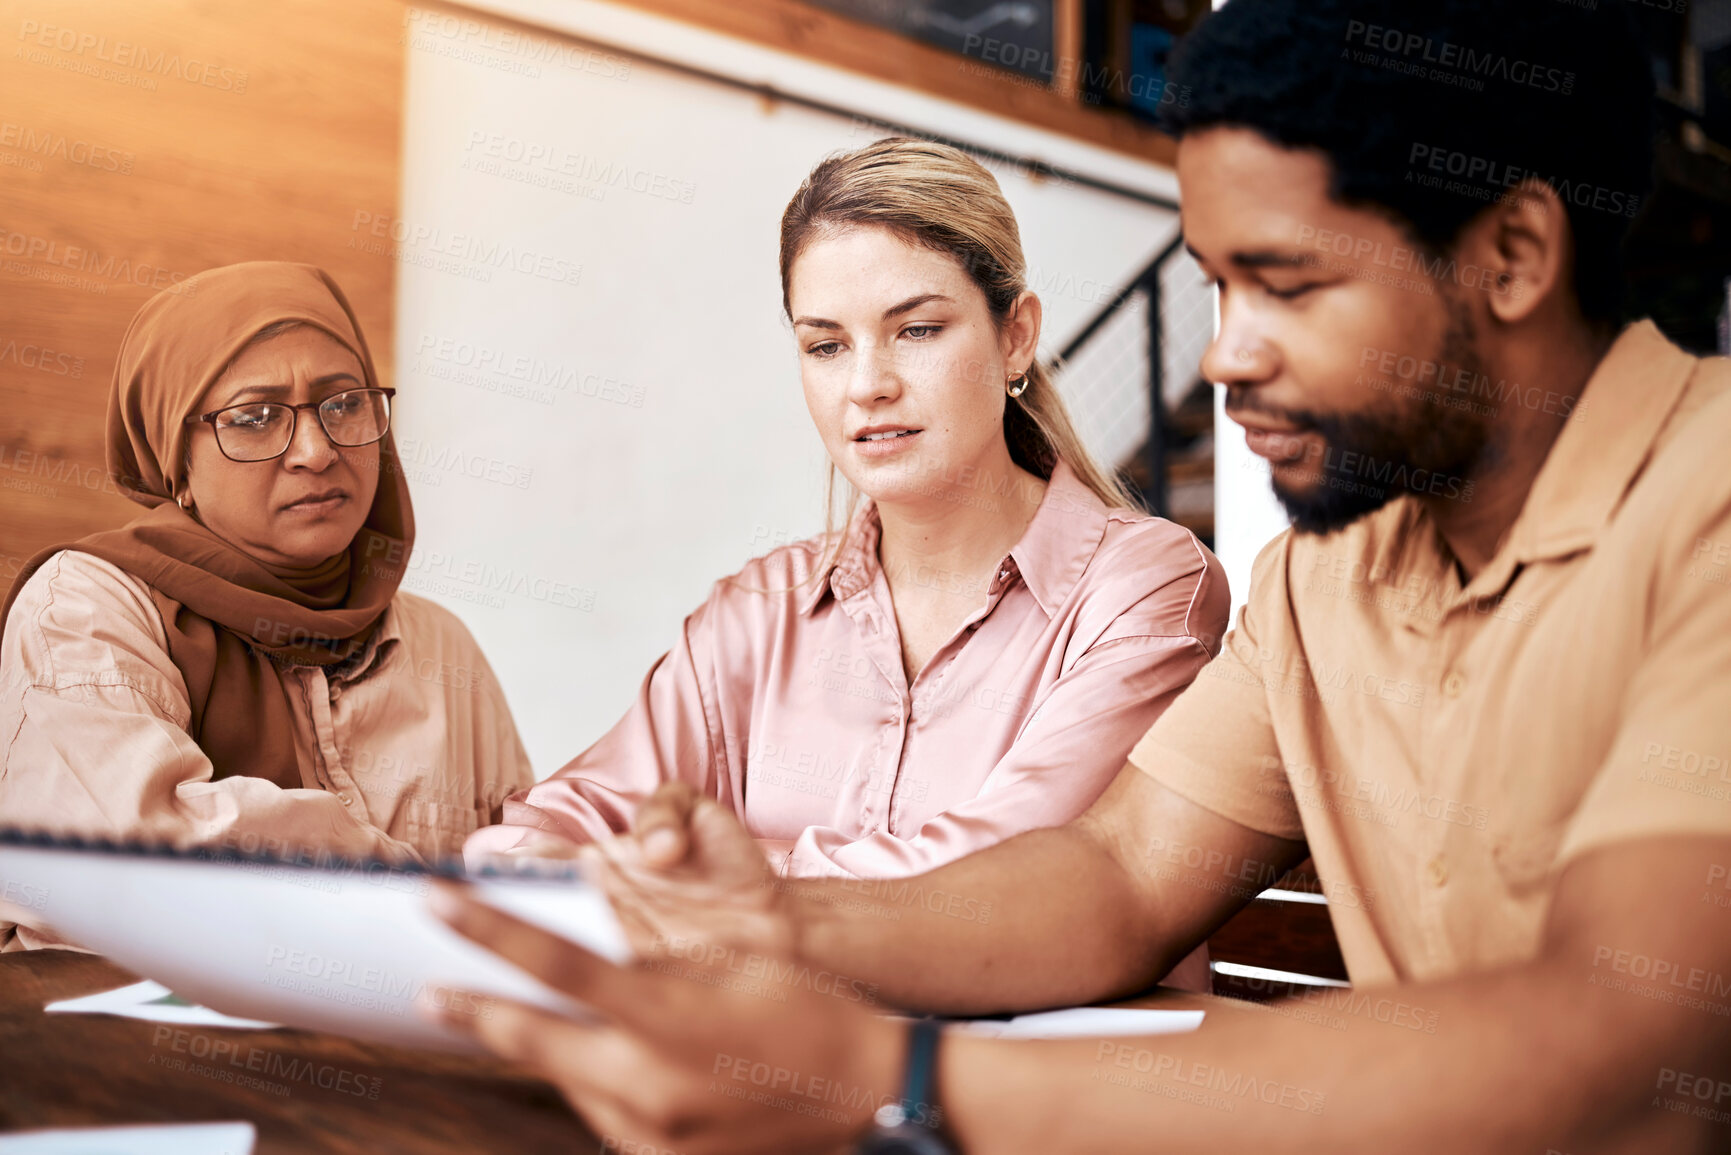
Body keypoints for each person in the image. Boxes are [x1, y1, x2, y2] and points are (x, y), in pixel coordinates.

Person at [424, 2, 1731, 1152]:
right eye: (1215, 285)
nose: (1222, 356)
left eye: (1282, 284)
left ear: (1509, 256)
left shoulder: (1707, 496)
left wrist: (895, 1080)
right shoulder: (1314, 580)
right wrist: (771, 917)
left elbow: (1628, 1062)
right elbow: (1114, 873)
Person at [465, 137, 1227, 983]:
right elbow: (553, 827)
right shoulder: (761, 608)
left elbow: (997, 884)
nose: (867, 384)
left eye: (918, 329)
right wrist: (547, 872)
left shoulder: (1145, 589)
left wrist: (712, 884)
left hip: (1040, 1095)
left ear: (1015, 338)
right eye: (825, 345)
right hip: (784, 1086)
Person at [0, 261, 532, 951]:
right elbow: (139, 864)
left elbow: (526, 871)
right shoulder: (86, 607)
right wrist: (439, 900)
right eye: (254, 418)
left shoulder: (439, 643)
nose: (316, 451)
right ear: (176, 459)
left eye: (344, 404)